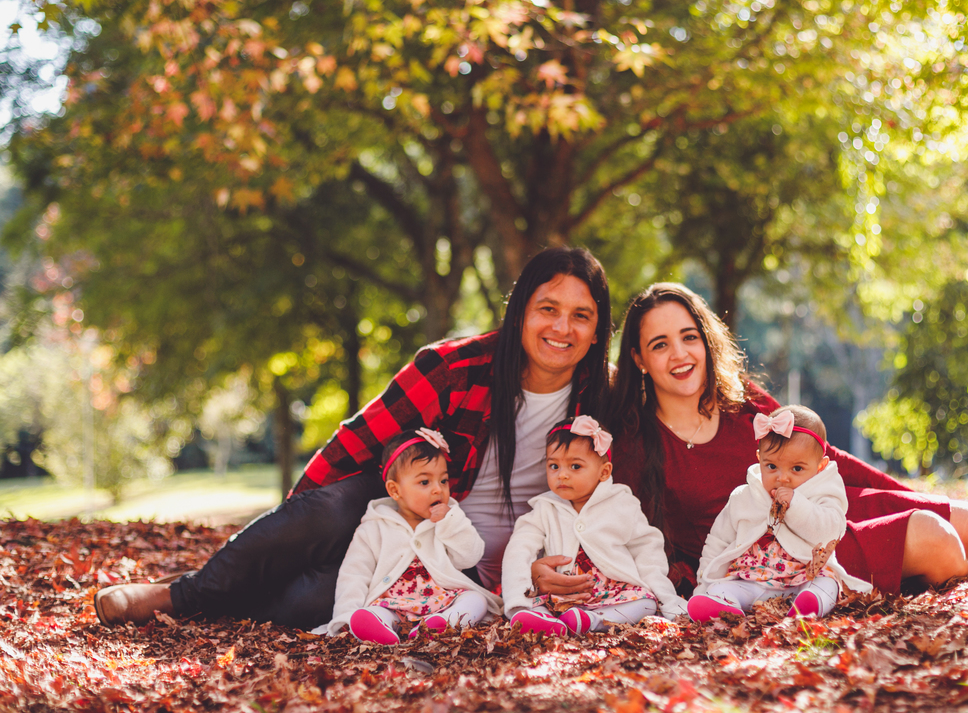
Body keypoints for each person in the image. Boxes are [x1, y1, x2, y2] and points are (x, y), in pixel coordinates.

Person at [94, 246, 612, 629]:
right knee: (326, 511)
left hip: (466, 569)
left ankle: (224, 595)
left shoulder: (607, 401)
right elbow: (354, 446)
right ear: (521, 309)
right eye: (548, 308)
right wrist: (292, 532)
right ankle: (178, 596)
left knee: (310, 604)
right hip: (397, 514)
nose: (562, 327)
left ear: (596, 330)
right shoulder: (456, 367)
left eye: (580, 316)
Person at [605, 282, 968, 598]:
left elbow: (825, 453)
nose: (680, 354)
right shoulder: (635, 443)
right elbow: (628, 533)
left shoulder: (740, 399)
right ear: (638, 359)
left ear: (705, 341)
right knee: (939, 542)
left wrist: (904, 494)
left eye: (689, 337)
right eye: (660, 344)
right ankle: (872, 580)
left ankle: (890, 575)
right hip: (783, 555)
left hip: (829, 508)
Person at [500, 416, 685, 636]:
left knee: (645, 603)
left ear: (604, 472)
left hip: (613, 591)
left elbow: (647, 550)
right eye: (554, 465)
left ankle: (593, 620)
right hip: (564, 590)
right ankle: (544, 620)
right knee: (538, 603)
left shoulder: (622, 504)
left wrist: (665, 596)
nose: (562, 474)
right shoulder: (544, 508)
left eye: (575, 466)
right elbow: (519, 549)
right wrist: (518, 599)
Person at [688, 406, 870, 623]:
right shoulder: (744, 496)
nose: (783, 478)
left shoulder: (823, 491)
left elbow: (831, 530)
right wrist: (703, 584)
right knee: (721, 587)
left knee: (828, 583)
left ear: (820, 467)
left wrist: (797, 505)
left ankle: (809, 605)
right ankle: (724, 605)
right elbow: (718, 541)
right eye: (772, 466)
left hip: (804, 578)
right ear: (759, 459)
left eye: (797, 469)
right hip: (754, 580)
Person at [319, 429, 500, 644]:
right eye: (425, 482)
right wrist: (346, 617)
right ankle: (379, 628)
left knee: (476, 599)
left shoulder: (448, 520)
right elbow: (354, 574)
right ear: (395, 491)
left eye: (443, 481)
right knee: (376, 613)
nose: (438, 490)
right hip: (393, 603)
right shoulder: (373, 528)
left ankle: (444, 623)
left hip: (442, 600)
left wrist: (450, 521)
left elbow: (470, 557)